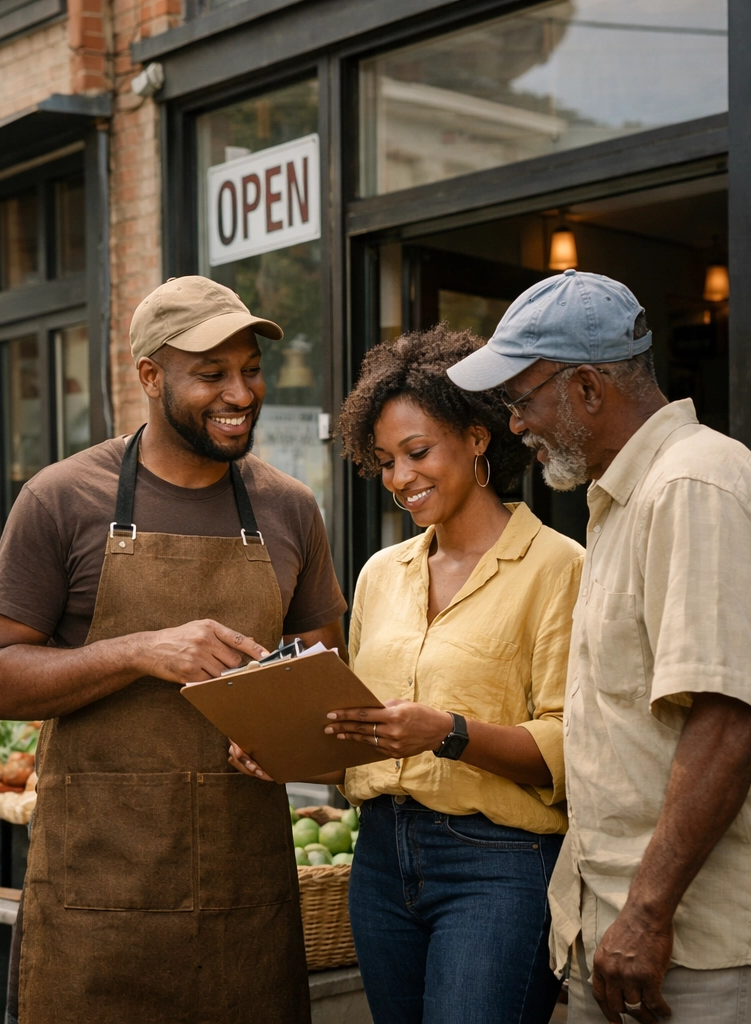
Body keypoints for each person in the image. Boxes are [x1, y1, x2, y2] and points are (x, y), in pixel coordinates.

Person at [0, 276, 347, 1022]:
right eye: (211, 374)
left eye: (249, 369)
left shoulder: (289, 508)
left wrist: (293, 738)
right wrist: (136, 651)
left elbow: (322, 680)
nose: (240, 392)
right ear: (149, 375)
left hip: (247, 909)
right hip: (98, 912)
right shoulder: (62, 499)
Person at [230, 326, 583, 1024]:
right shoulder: (380, 575)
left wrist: (446, 733)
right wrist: (282, 743)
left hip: (499, 865)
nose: (399, 479)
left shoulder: (558, 567)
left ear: (478, 438)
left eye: (417, 453)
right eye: (385, 461)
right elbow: (361, 732)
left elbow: (571, 748)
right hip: (381, 861)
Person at [448, 269, 751, 1024]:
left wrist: (648, 913)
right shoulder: (621, 497)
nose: (516, 425)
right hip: (608, 931)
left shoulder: (693, 483)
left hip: (685, 946)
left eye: (521, 399)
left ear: (586, 388)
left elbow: (730, 720)